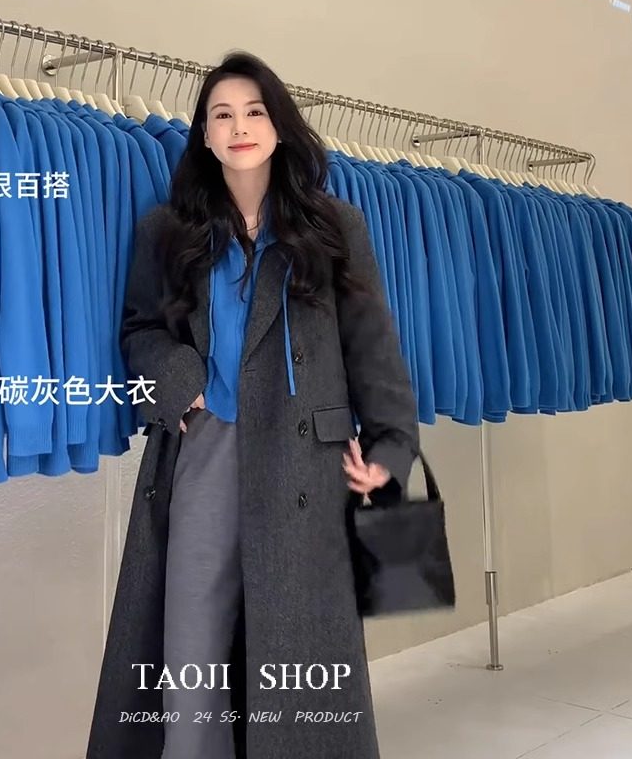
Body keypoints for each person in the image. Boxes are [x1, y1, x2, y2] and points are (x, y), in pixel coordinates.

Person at [86, 50, 420, 759]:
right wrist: (181, 378)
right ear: (205, 135)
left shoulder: (333, 228)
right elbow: (140, 330)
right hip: (206, 446)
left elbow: (372, 345)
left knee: (301, 665)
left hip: (307, 461)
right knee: (191, 651)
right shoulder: (168, 231)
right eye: (222, 115)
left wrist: (391, 447)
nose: (239, 127)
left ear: (278, 125)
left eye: (254, 111)